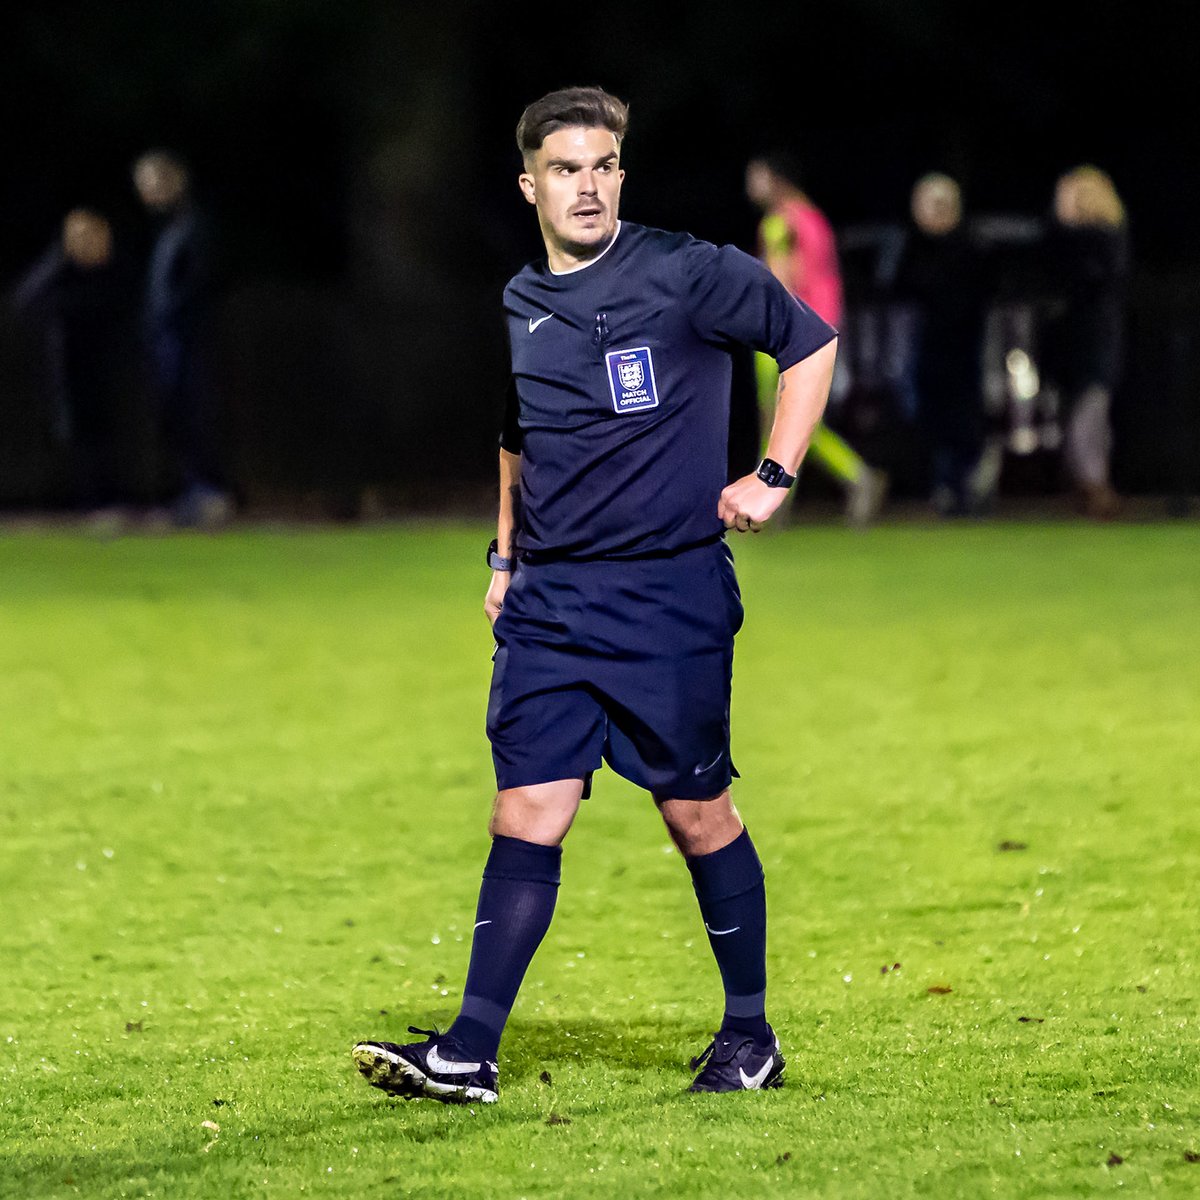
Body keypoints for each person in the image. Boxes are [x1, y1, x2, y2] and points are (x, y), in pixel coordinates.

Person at [352, 87, 837, 1104]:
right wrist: (502, 559)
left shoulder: (685, 271)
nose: (588, 185)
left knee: (696, 813)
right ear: (530, 183)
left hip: (670, 598)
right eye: (567, 168)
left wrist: (776, 475)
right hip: (551, 604)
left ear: (622, 174)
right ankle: (469, 1051)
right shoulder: (523, 299)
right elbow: (516, 436)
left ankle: (749, 1037)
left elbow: (809, 341)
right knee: (526, 805)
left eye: (604, 165)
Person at [745, 153, 886, 525]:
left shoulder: (780, 223)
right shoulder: (814, 218)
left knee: (782, 421)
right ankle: (780, 502)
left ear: (777, 180)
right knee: (796, 420)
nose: (751, 185)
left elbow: (781, 281)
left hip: (789, 330)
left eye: (757, 177)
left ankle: (852, 478)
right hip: (822, 328)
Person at [9, 208, 135, 518]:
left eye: (89, 235)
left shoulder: (113, 270)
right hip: (70, 368)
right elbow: (25, 299)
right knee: (78, 435)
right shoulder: (61, 271)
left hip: (112, 366)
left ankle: (114, 499)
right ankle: (91, 502)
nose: (82, 242)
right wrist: (57, 260)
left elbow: (123, 310)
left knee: (112, 432)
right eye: (75, 236)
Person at [131, 150, 232, 527]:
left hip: (188, 339)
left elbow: (199, 282)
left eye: (154, 184)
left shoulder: (193, 227)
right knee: (175, 415)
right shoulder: (167, 232)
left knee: (195, 414)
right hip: (168, 340)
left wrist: (170, 317)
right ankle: (193, 491)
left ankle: (210, 493)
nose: (148, 194)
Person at [887, 174, 992, 516]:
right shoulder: (914, 247)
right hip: (926, 350)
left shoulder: (970, 247)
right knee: (931, 421)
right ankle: (942, 487)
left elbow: (975, 297)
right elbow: (900, 287)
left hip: (963, 349)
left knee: (963, 420)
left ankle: (965, 485)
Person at [1040, 166, 1129, 519]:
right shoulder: (1057, 240)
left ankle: (1096, 487)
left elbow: (1096, 281)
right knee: (1073, 417)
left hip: (1096, 340)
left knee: (1089, 416)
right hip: (1065, 344)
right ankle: (1083, 488)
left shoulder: (1106, 237)